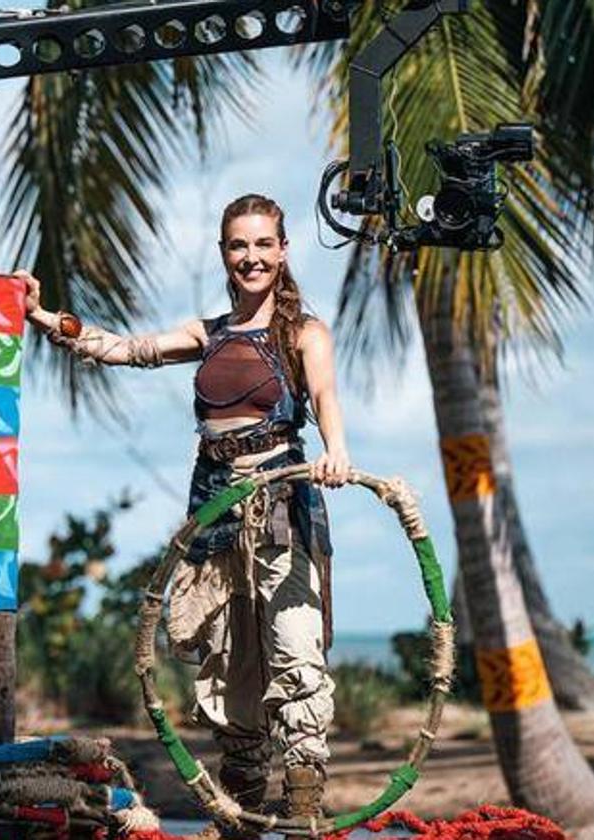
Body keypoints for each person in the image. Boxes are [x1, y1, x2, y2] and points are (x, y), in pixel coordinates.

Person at [21, 193, 351, 820]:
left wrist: (337, 452)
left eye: (262, 245)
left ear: (283, 252)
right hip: (215, 514)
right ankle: (245, 822)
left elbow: (327, 395)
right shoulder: (210, 333)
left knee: (296, 652)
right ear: (224, 254)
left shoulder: (304, 333)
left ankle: (305, 817)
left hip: (283, 503)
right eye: (238, 246)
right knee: (231, 673)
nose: (250, 257)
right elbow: (126, 349)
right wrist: (42, 317)